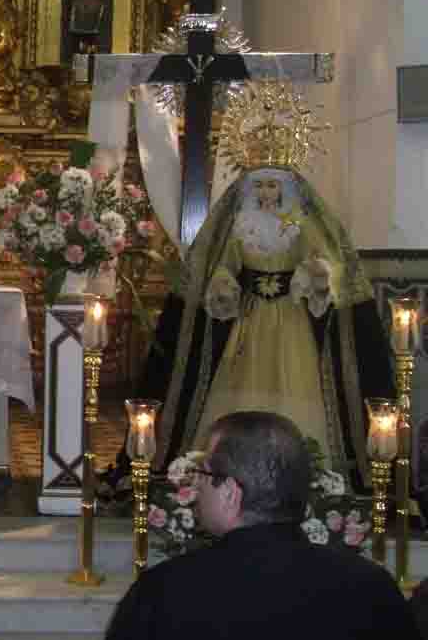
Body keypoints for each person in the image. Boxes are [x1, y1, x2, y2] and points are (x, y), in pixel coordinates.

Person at [93, 411, 427, 640]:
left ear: (231, 494)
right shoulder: (372, 589)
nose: (195, 486)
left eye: (204, 474)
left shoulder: (161, 593)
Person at [135, 165, 394, 490]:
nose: (265, 193)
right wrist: (223, 282)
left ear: (284, 190)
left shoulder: (300, 222)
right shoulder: (239, 224)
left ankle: (303, 476)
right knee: (240, 386)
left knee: (293, 382)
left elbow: (327, 261)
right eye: (259, 186)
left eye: (272, 186)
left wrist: (316, 272)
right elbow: (224, 264)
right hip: (249, 320)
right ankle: (233, 471)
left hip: (290, 320)